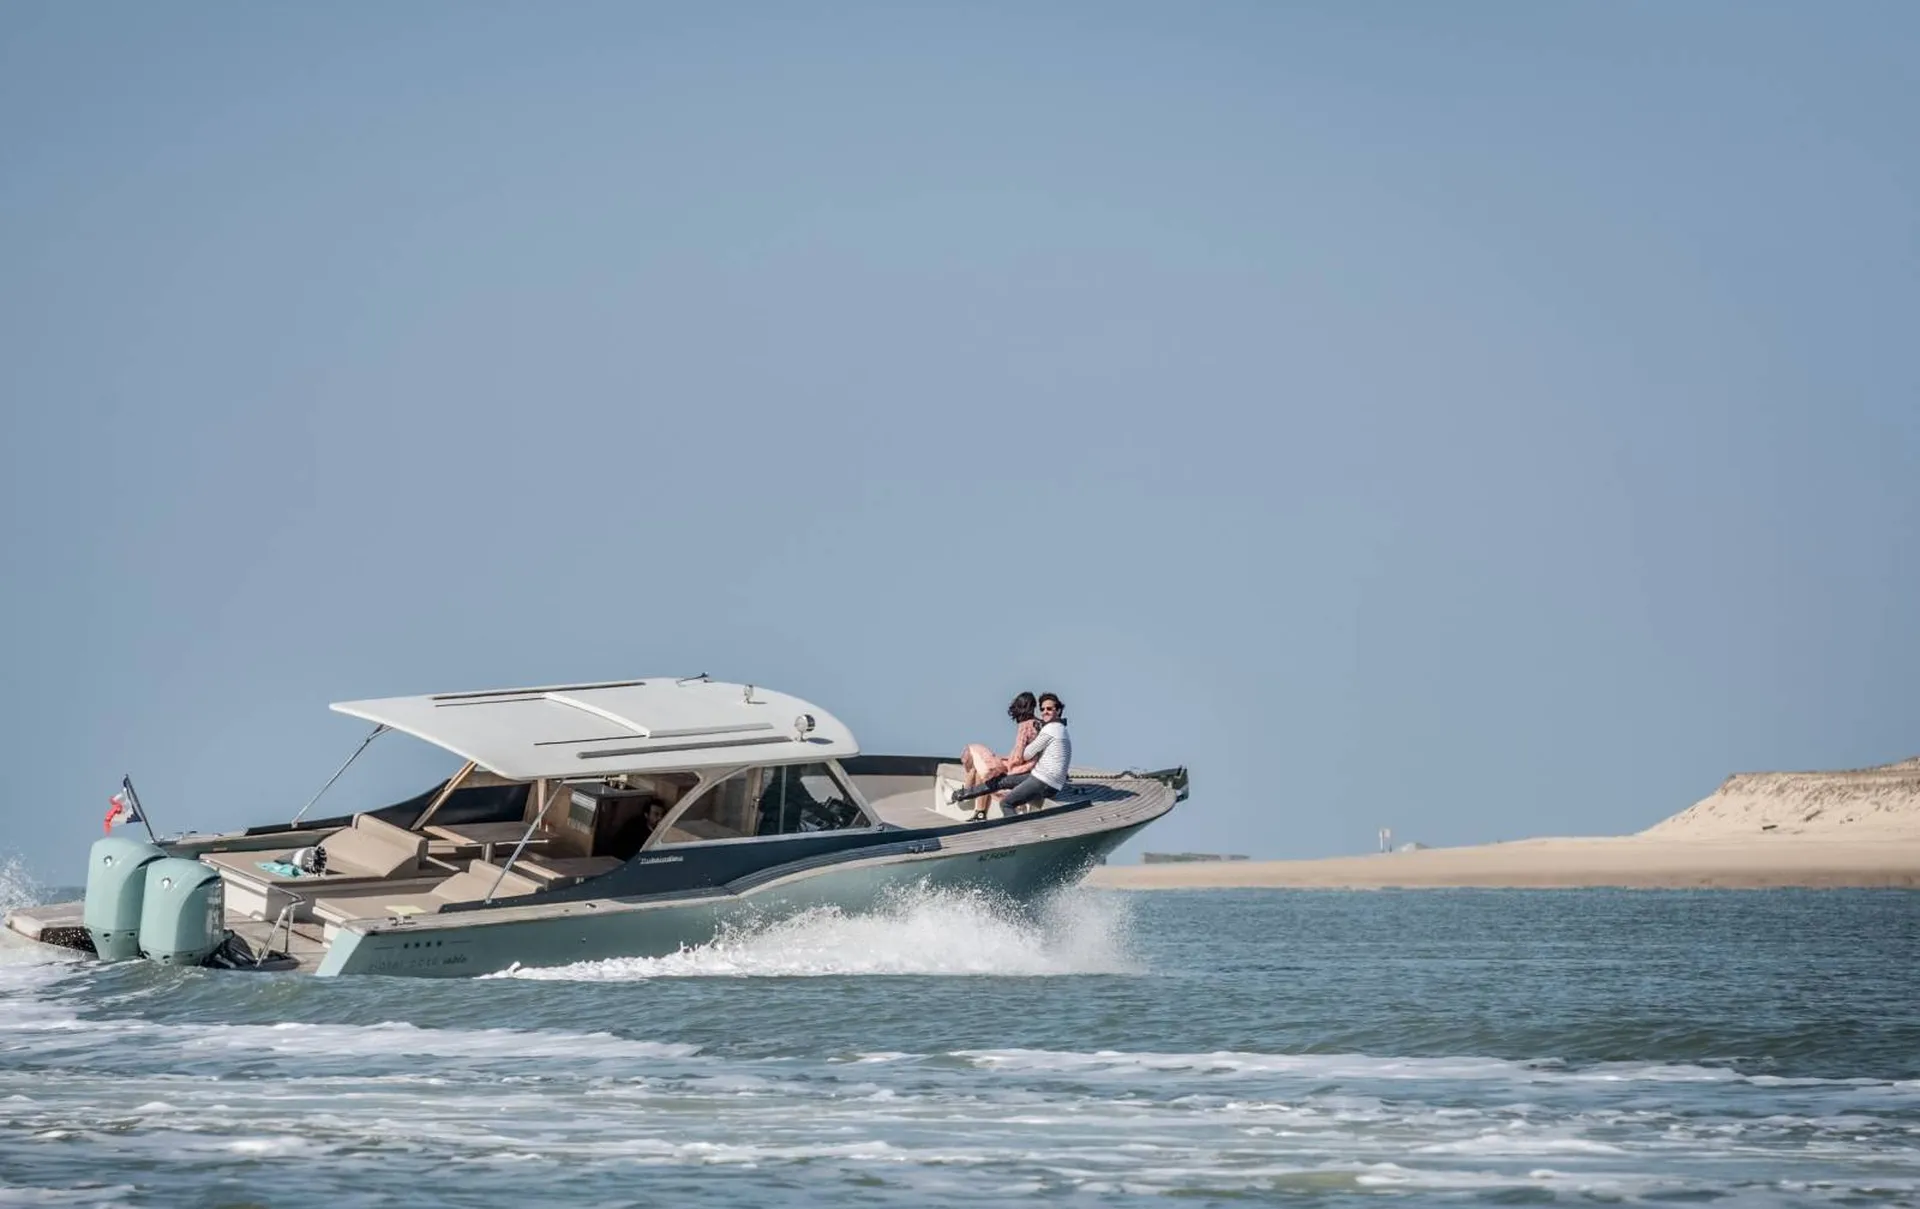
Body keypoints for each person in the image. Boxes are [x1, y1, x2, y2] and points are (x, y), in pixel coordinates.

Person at [950, 692, 1071, 821]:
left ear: (1058, 710)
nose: (1044, 712)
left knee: (1006, 803)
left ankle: (1015, 830)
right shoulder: (1057, 728)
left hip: (1044, 781)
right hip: (1045, 777)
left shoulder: (1049, 730)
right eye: (1042, 709)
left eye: (1049, 709)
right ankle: (964, 795)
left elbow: (1025, 754)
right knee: (1002, 781)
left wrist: (1007, 763)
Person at [957, 692, 1039, 817]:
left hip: (1022, 769)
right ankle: (978, 809)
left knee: (981, 765)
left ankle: (969, 799)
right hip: (1033, 767)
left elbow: (1018, 756)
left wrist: (1006, 763)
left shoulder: (1025, 727)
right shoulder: (1038, 724)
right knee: (981, 770)